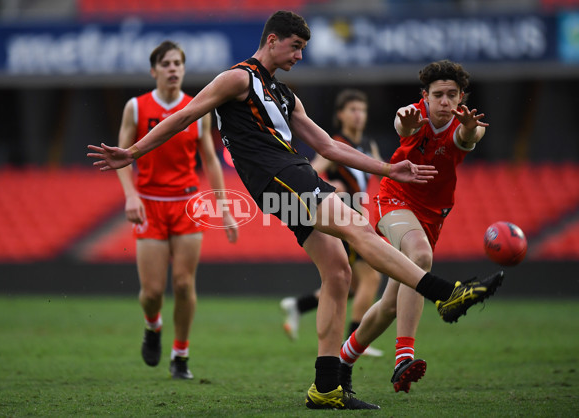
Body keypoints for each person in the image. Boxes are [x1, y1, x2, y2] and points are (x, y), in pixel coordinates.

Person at [88, 11, 504, 410]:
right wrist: (135, 151)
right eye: (296, 46)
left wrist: (386, 167)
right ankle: (446, 294)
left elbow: (329, 147)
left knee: (339, 271)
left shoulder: (285, 95)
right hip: (281, 175)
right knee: (358, 228)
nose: (300, 55)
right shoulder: (237, 78)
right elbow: (185, 115)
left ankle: (326, 389)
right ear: (272, 40)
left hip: (286, 180)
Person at [339, 60, 490, 394]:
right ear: (425, 95)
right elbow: (403, 125)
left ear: (462, 96)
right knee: (420, 256)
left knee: (389, 307)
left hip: (432, 216)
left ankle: (342, 362)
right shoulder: (413, 112)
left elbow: (468, 138)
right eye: (438, 95)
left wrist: (467, 128)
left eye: (453, 94)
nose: (445, 102)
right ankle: (403, 358)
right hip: (393, 200)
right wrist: (406, 126)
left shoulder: (468, 124)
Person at [115, 40, 238, 380]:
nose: (173, 69)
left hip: (186, 204)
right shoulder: (136, 108)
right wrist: (131, 195)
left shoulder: (198, 109)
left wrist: (224, 208)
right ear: (154, 71)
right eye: (166, 64)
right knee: (152, 292)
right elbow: (123, 156)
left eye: (178, 64)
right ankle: (152, 325)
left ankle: (180, 355)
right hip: (150, 204)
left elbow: (210, 160)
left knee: (184, 285)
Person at [280, 89, 385, 358]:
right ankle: (354, 341)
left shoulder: (368, 147)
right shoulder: (334, 143)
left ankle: (300, 305)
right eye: (352, 110)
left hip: (359, 217)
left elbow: (381, 173)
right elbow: (311, 172)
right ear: (340, 115)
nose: (358, 115)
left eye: (361, 110)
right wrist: (331, 186)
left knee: (347, 285)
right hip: (342, 218)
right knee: (371, 277)